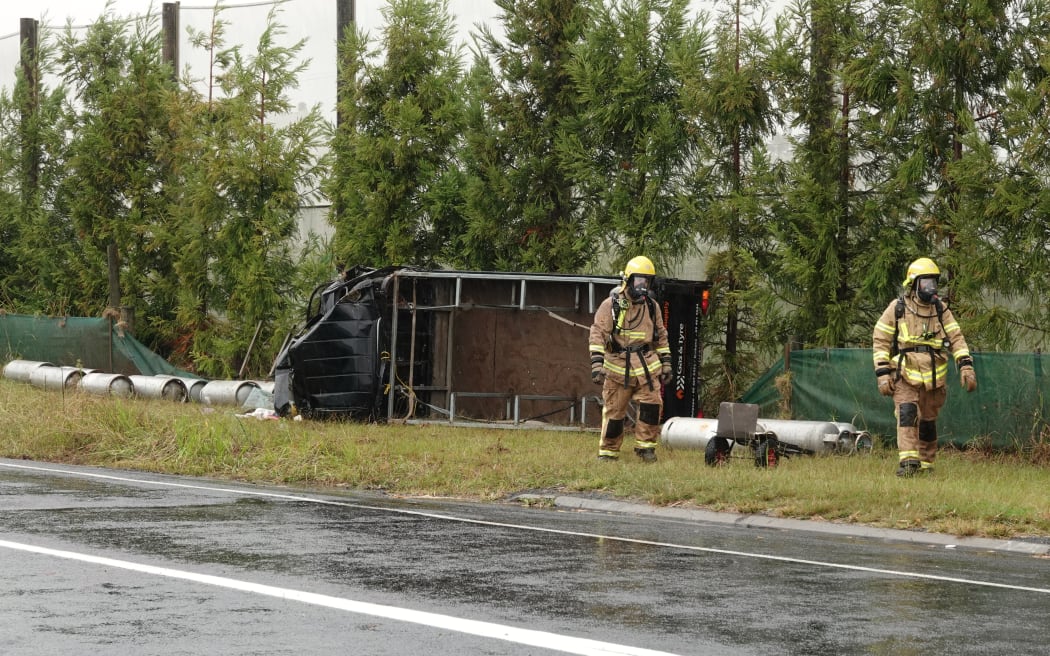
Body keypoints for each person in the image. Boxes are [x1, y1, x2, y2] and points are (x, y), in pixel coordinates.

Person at [872, 257, 977, 476]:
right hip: (905, 375)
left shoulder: (941, 310)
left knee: (928, 421)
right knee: (907, 413)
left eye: (933, 283)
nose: (931, 288)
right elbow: (880, 339)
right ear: (913, 284)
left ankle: (926, 463)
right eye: (925, 283)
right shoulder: (898, 308)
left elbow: (957, 338)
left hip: (934, 379)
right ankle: (909, 462)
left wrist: (966, 366)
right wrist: (882, 373)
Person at [588, 256, 672, 462]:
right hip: (618, 369)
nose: (643, 286)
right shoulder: (612, 305)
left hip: (646, 368)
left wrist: (667, 363)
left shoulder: (652, 307)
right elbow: (597, 333)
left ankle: (646, 449)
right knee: (615, 413)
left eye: (647, 281)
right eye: (639, 280)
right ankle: (608, 452)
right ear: (628, 279)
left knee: (652, 406)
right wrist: (597, 364)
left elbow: (661, 335)